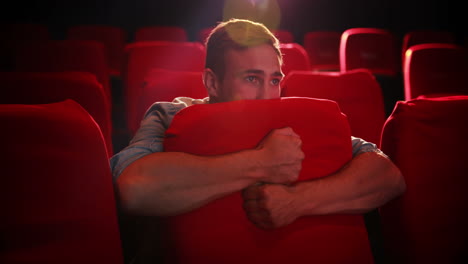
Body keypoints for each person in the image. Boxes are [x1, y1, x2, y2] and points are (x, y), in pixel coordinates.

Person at [111, 19, 405, 232]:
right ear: (212, 82)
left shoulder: (290, 116)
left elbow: (388, 176)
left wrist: (298, 201)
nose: (267, 95)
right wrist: (260, 163)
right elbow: (134, 188)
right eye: (251, 78)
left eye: (274, 80)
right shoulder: (171, 114)